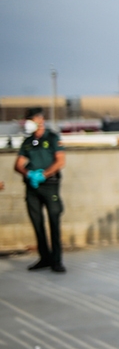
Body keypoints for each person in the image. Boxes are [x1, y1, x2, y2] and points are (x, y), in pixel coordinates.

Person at [14, 107, 67, 273]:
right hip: (32, 187)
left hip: (49, 185)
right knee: (37, 223)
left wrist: (44, 174)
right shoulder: (28, 142)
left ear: (40, 119)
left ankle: (57, 260)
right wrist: (28, 173)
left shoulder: (52, 137)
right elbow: (18, 164)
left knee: (54, 221)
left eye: (31, 119)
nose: (29, 122)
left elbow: (60, 161)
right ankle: (44, 258)